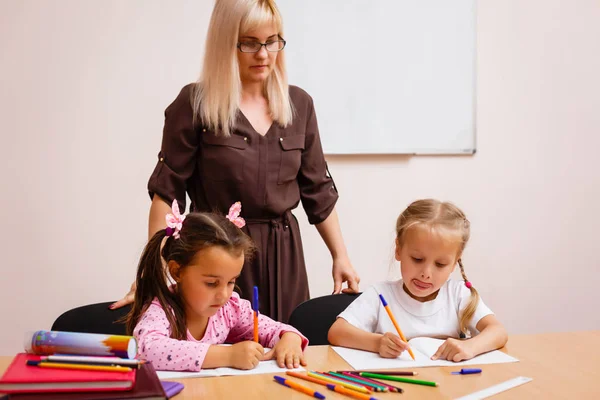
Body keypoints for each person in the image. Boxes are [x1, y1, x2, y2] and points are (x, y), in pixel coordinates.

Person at [112, 0, 360, 322]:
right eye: (249, 43)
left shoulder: (299, 104)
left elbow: (318, 192)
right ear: (226, 42)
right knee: (220, 355)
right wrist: (154, 270)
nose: (263, 54)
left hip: (282, 258)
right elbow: (167, 195)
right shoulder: (195, 104)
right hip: (215, 256)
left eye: (272, 41)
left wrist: (340, 257)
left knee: (283, 350)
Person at [126, 201, 308, 371]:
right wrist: (227, 355)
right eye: (211, 283)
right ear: (177, 272)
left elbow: (273, 329)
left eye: (231, 281)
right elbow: (145, 349)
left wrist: (289, 339)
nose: (224, 295)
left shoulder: (230, 309)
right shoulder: (162, 310)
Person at [328, 199, 508, 362]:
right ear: (398, 249)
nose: (426, 273)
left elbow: (498, 332)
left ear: (454, 262)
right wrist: (377, 343)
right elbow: (337, 332)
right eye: (417, 259)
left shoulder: (458, 294)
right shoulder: (380, 294)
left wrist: (470, 347)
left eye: (440, 264)